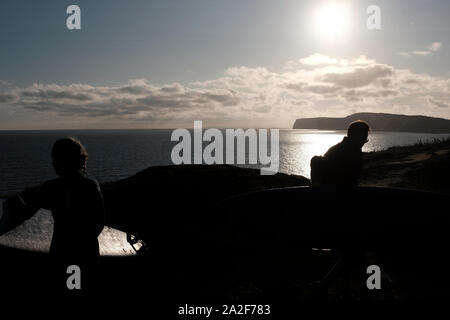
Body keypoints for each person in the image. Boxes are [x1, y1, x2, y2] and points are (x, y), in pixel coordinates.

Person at [1, 137, 105, 292]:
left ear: (63, 160)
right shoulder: (90, 186)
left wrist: (13, 200)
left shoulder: (51, 187)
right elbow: (98, 224)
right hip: (86, 253)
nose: (53, 163)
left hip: (62, 252)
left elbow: (26, 211)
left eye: (55, 158)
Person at [310, 120, 370, 188]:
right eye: (364, 139)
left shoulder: (335, 149)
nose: (364, 142)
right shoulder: (353, 153)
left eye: (366, 139)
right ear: (357, 137)